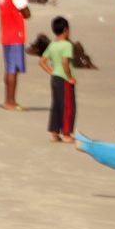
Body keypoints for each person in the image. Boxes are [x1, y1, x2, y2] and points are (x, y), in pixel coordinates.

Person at [0, 0, 32, 111]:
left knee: (9, 68)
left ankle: (8, 99)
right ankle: (10, 101)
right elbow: (26, 13)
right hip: (15, 35)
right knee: (13, 69)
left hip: (6, 34)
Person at [38, 15, 77, 143]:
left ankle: (54, 133)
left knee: (56, 105)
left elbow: (42, 61)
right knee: (67, 106)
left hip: (55, 78)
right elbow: (65, 62)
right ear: (66, 30)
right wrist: (70, 77)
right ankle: (66, 134)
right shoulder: (67, 45)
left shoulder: (52, 45)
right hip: (64, 79)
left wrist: (52, 72)